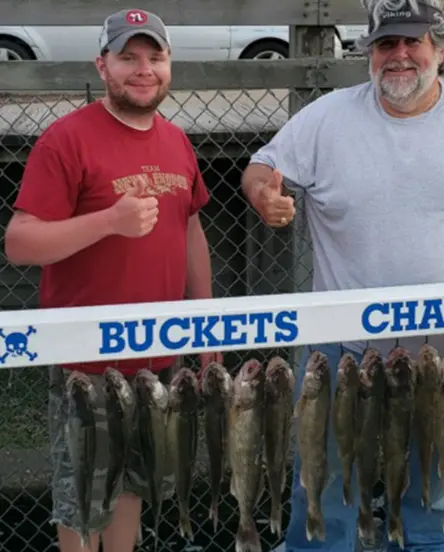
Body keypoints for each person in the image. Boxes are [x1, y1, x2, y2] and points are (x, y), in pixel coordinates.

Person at [240, 0, 444, 550]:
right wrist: (263, 191)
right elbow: (262, 166)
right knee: (326, 487)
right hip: (343, 357)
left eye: (414, 42)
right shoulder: (328, 116)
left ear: (440, 49)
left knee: (432, 497)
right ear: (368, 54)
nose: (401, 55)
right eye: (387, 44)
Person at [4, 8, 222, 552]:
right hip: (86, 364)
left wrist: (206, 319)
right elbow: (20, 242)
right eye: (129, 57)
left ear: (170, 65)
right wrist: (108, 222)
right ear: (103, 65)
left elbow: (190, 225)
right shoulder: (66, 140)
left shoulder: (176, 139)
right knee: (83, 500)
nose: (143, 69)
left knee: (133, 488)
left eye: (155, 57)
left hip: (157, 351)